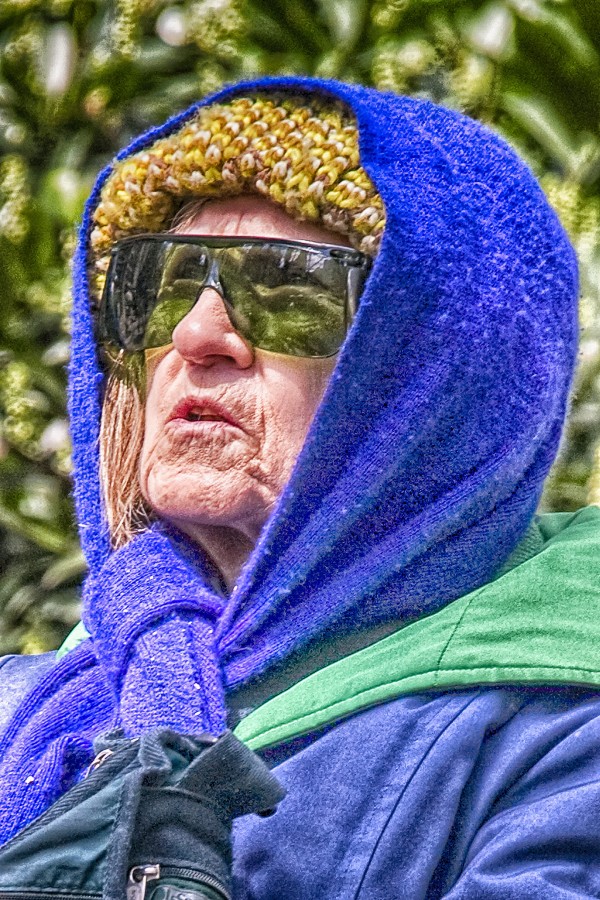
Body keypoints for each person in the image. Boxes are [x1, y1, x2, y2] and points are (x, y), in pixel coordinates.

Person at [2, 76, 600, 898]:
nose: (196, 335)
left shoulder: (564, 744)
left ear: (435, 378)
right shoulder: (29, 707)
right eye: (165, 284)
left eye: (287, 291)